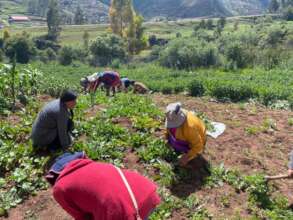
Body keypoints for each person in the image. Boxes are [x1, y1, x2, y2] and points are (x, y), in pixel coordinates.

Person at [46, 152, 161, 220]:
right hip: (147, 194)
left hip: (124, 214)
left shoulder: (60, 188)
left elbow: (82, 218)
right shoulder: (94, 165)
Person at [165, 102, 206, 167]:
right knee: (173, 141)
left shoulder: (190, 127)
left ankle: (185, 150)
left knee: (190, 151)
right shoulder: (173, 115)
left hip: (197, 139)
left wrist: (187, 157)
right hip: (184, 136)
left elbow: (198, 147)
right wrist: (166, 138)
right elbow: (168, 129)